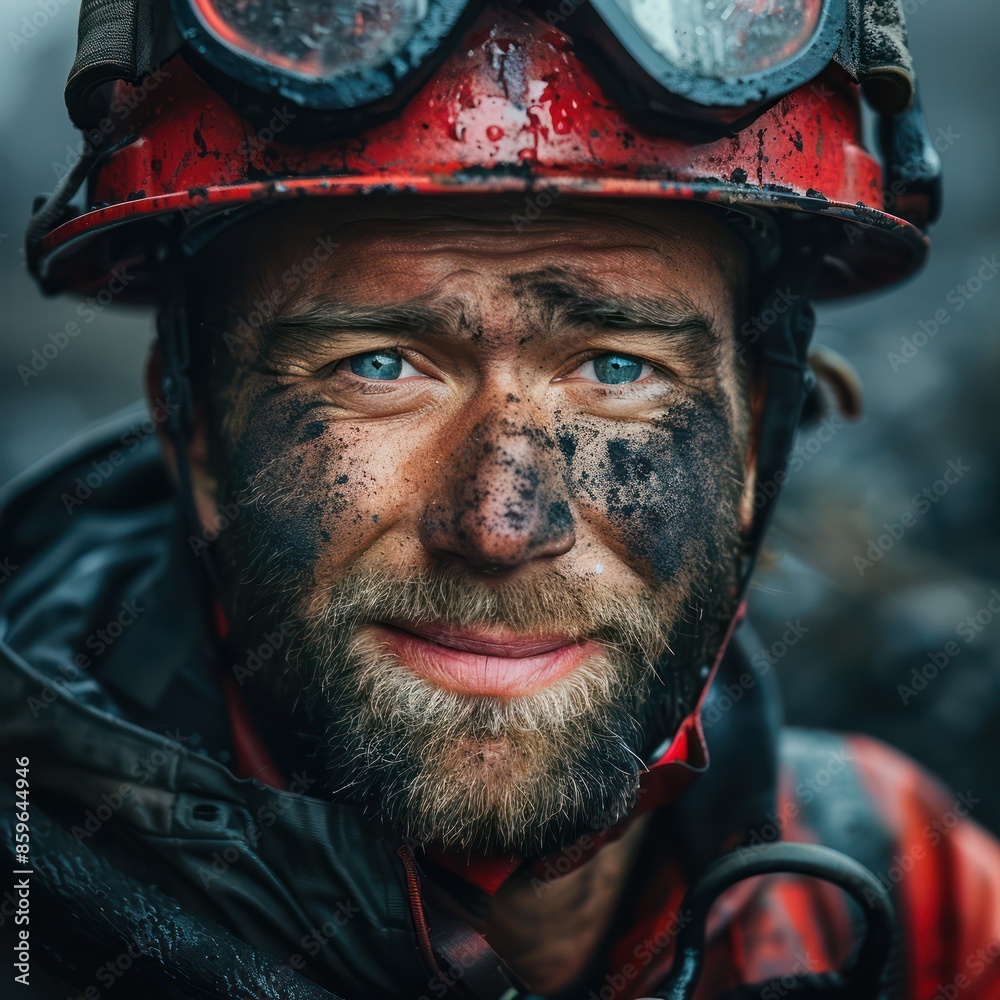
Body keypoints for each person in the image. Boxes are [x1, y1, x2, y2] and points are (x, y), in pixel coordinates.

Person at [2, 0, 998, 997]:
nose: (499, 523)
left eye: (617, 367)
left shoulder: (907, 883)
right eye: (379, 364)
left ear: (753, 439)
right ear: (199, 437)